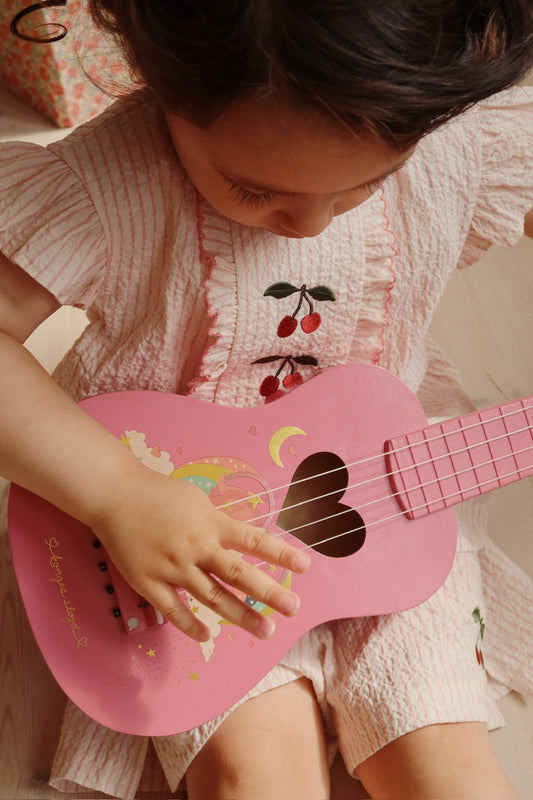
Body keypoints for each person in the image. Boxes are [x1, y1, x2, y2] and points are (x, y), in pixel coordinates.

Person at [1, 1, 533, 797]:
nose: (309, 225)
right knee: (261, 777)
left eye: (366, 185)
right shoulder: (105, 185)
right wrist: (117, 494)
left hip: (397, 511)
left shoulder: (462, 141)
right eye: (253, 190)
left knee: (455, 774)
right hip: (191, 540)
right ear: (162, 75)